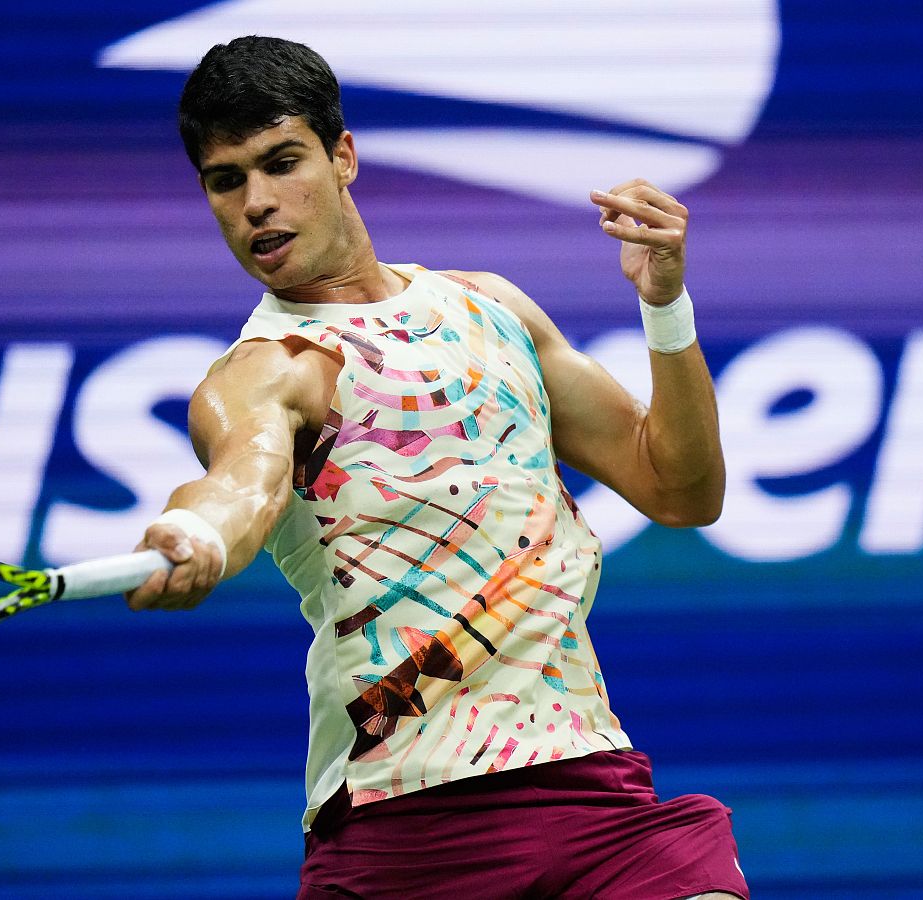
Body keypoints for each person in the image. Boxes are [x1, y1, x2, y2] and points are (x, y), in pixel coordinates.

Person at [124, 35, 745, 900]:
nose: (258, 203)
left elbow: (681, 489)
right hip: (406, 824)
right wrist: (197, 531)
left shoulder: (490, 308)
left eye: (281, 162)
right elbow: (244, 479)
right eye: (227, 181)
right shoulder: (267, 369)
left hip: (592, 788)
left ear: (343, 156)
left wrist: (665, 303)